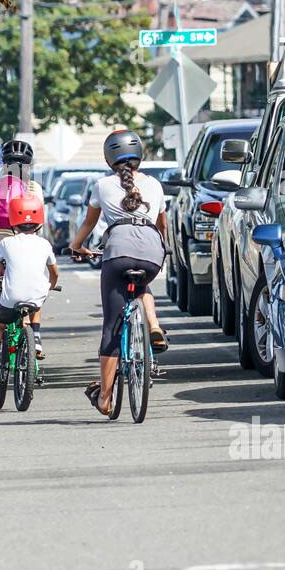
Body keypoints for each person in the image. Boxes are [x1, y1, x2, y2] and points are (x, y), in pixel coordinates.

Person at [71, 129, 169, 416]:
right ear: (140, 154)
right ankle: (152, 324)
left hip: (117, 254)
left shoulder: (102, 186)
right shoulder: (155, 185)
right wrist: (162, 250)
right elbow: (162, 226)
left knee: (112, 325)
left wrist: (77, 246)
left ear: (108, 157)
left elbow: (89, 225)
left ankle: (104, 396)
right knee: (142, 287)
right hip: (152, 253)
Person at [0, 193, 58, 384]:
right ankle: (36, 337)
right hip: (35, 296)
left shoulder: (6, 243)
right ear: (39, 221)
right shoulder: (45, 244)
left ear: (12, 221)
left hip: (11, 298)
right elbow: (54, 272)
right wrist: (51, 286)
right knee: (38, 299)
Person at [0, 139, 45, 359]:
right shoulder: (34, 188)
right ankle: (32, 338)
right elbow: (41, 223)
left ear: (4, 164)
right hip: (22, 240)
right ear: (29, 165)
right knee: (28, 287)